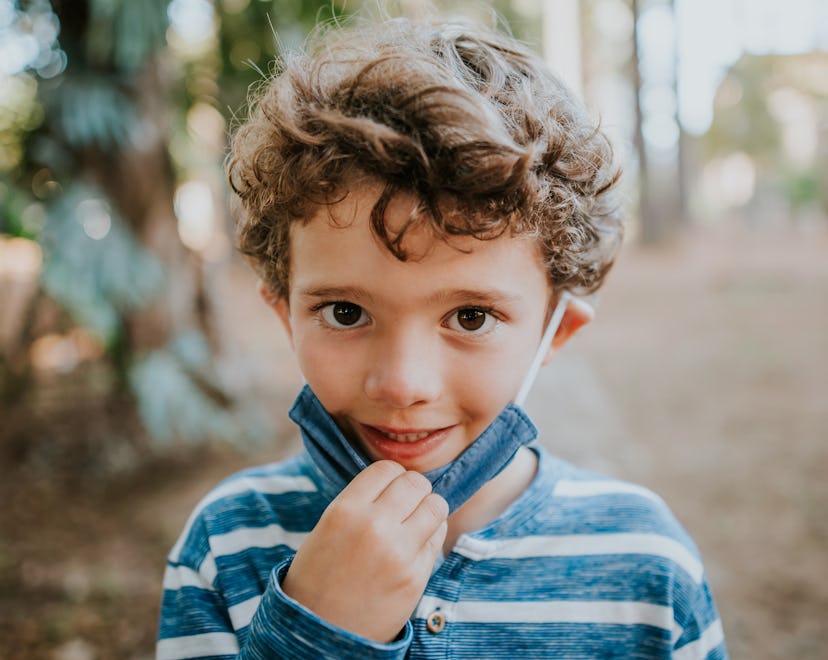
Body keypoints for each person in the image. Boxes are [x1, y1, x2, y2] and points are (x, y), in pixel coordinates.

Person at [157, 11, 727, 660]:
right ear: (286, 314)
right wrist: (315, 632)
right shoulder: (226, 546)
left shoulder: (644, 566)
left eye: (471, 317)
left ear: (555, 330)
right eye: (346, 312)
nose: (402, 384)